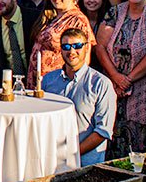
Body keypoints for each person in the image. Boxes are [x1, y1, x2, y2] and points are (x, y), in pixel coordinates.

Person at [93, 0, 146, 153]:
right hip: (114, 84)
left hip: (143, 85)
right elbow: (99, 46)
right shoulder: (114, 12)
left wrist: (128, 80)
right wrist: (116, 77)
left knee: (140, 139)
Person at [42, 27, 117, 166]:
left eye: (77, 46)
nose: (71, 51)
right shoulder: (48, 80)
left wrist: (70, 154)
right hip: (51, 162)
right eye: (66, 46)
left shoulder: (101, 84)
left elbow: (103, 131)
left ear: (86, 48)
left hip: (86, 165)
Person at [29, 0, 94, 87]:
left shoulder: (78, 20)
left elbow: (83, 59)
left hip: (57, 84)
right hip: (38, 81)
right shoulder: (50, 16)